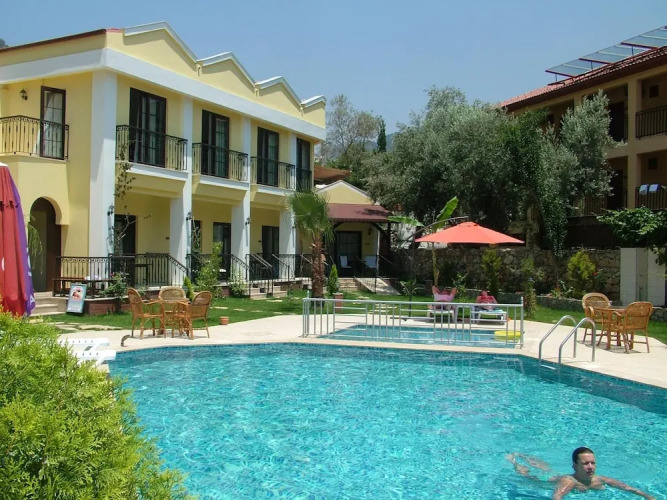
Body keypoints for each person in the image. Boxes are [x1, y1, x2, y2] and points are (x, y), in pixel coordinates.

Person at [507, 448, 655, 499]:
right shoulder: (569, 482)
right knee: (528, 475)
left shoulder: (600, 479)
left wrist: (649, 497)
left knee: (547, 469)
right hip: (547, 481)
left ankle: (523, 455)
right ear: (575, 465)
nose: (590, 467)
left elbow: (627, 488)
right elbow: (557, 497)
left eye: (593, 463)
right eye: (585, 463)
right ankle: (514, 461)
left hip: (556, 475)